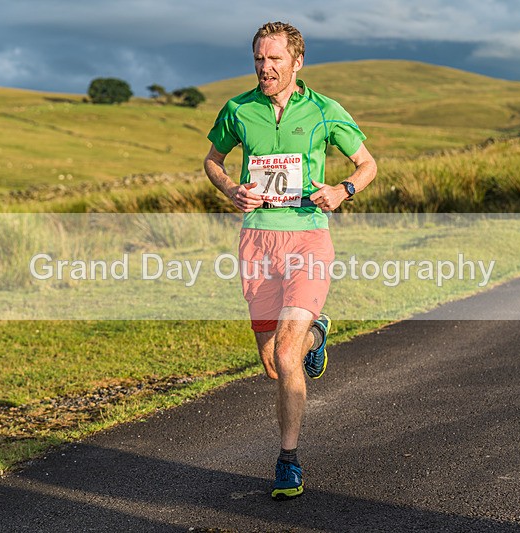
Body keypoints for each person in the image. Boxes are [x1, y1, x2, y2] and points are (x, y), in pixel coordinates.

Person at [203, 21, 376, 500]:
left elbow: (368, 164)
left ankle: (288, 461)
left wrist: (343, 190)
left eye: (274, 59)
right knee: (272, 364)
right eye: (259, 59)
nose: (265, 67)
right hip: (257, 243)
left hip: (308, 242)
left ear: (297, 62)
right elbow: (212, 161)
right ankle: (318, 332)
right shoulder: (238, 109)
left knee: (285, 351)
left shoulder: (324, 111)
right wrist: (231, 188)